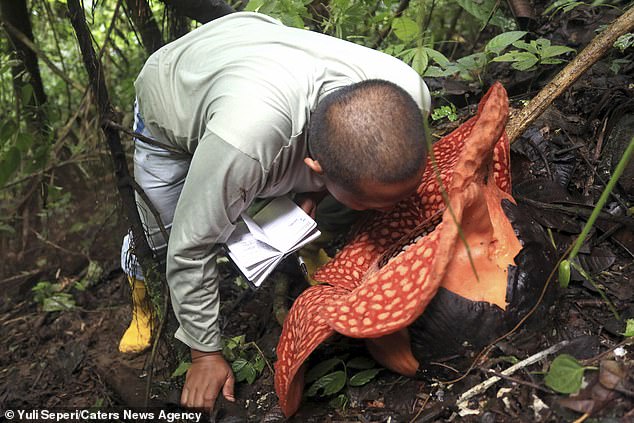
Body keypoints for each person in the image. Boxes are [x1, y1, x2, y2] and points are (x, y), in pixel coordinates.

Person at [118, 11, 431, 412]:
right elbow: (191, 245)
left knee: (321, 193)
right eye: (374, 204)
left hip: (254, 50)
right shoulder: (244, 146)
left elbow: (345, 167)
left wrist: (319, 197)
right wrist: (204, 353)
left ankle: (311, 246)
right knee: (159, 231)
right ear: (316, 168)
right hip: (171, 90)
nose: (393, 210)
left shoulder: (409, 93)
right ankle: (141, 298)